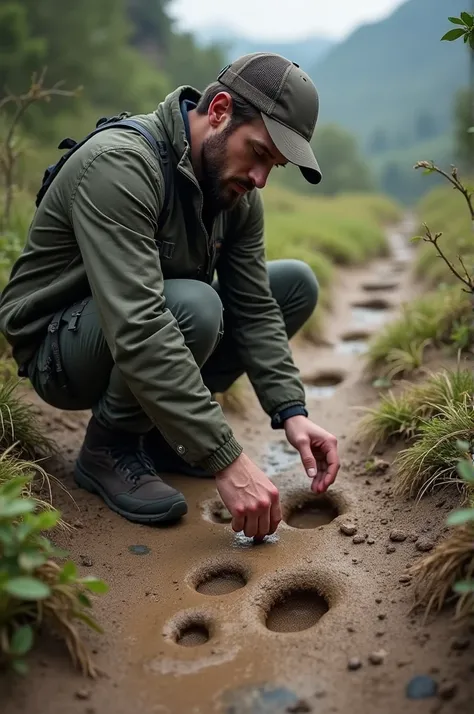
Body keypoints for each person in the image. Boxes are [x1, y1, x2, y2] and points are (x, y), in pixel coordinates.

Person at [0, 52, 340, 539]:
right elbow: (140, 324)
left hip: (148, 326)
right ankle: (109, 446)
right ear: (220, 109)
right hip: (60, 347)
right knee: (196, 307)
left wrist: (292, 411)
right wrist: (227, 458)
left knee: (292, 285)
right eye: (260, 153)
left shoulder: (235, 194)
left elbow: (257, 310)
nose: (261, 178)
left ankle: (163, 436)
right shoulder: (122, 165)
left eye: (275, 166)